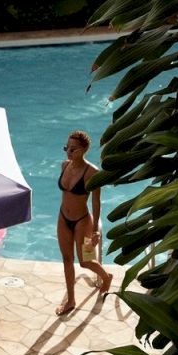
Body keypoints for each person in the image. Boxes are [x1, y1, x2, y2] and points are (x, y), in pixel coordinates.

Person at [56, 130, 113, 316]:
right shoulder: (64, 165)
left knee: (85, 261)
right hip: (63, 218)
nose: (68, 153)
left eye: (73, 149)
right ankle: (71, 300)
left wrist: (96, 230)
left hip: (82, 221)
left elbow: (96, 203)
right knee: (66, 259)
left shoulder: (92, 173)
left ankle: (106, 276)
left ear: (84, 150)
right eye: (67, 148)